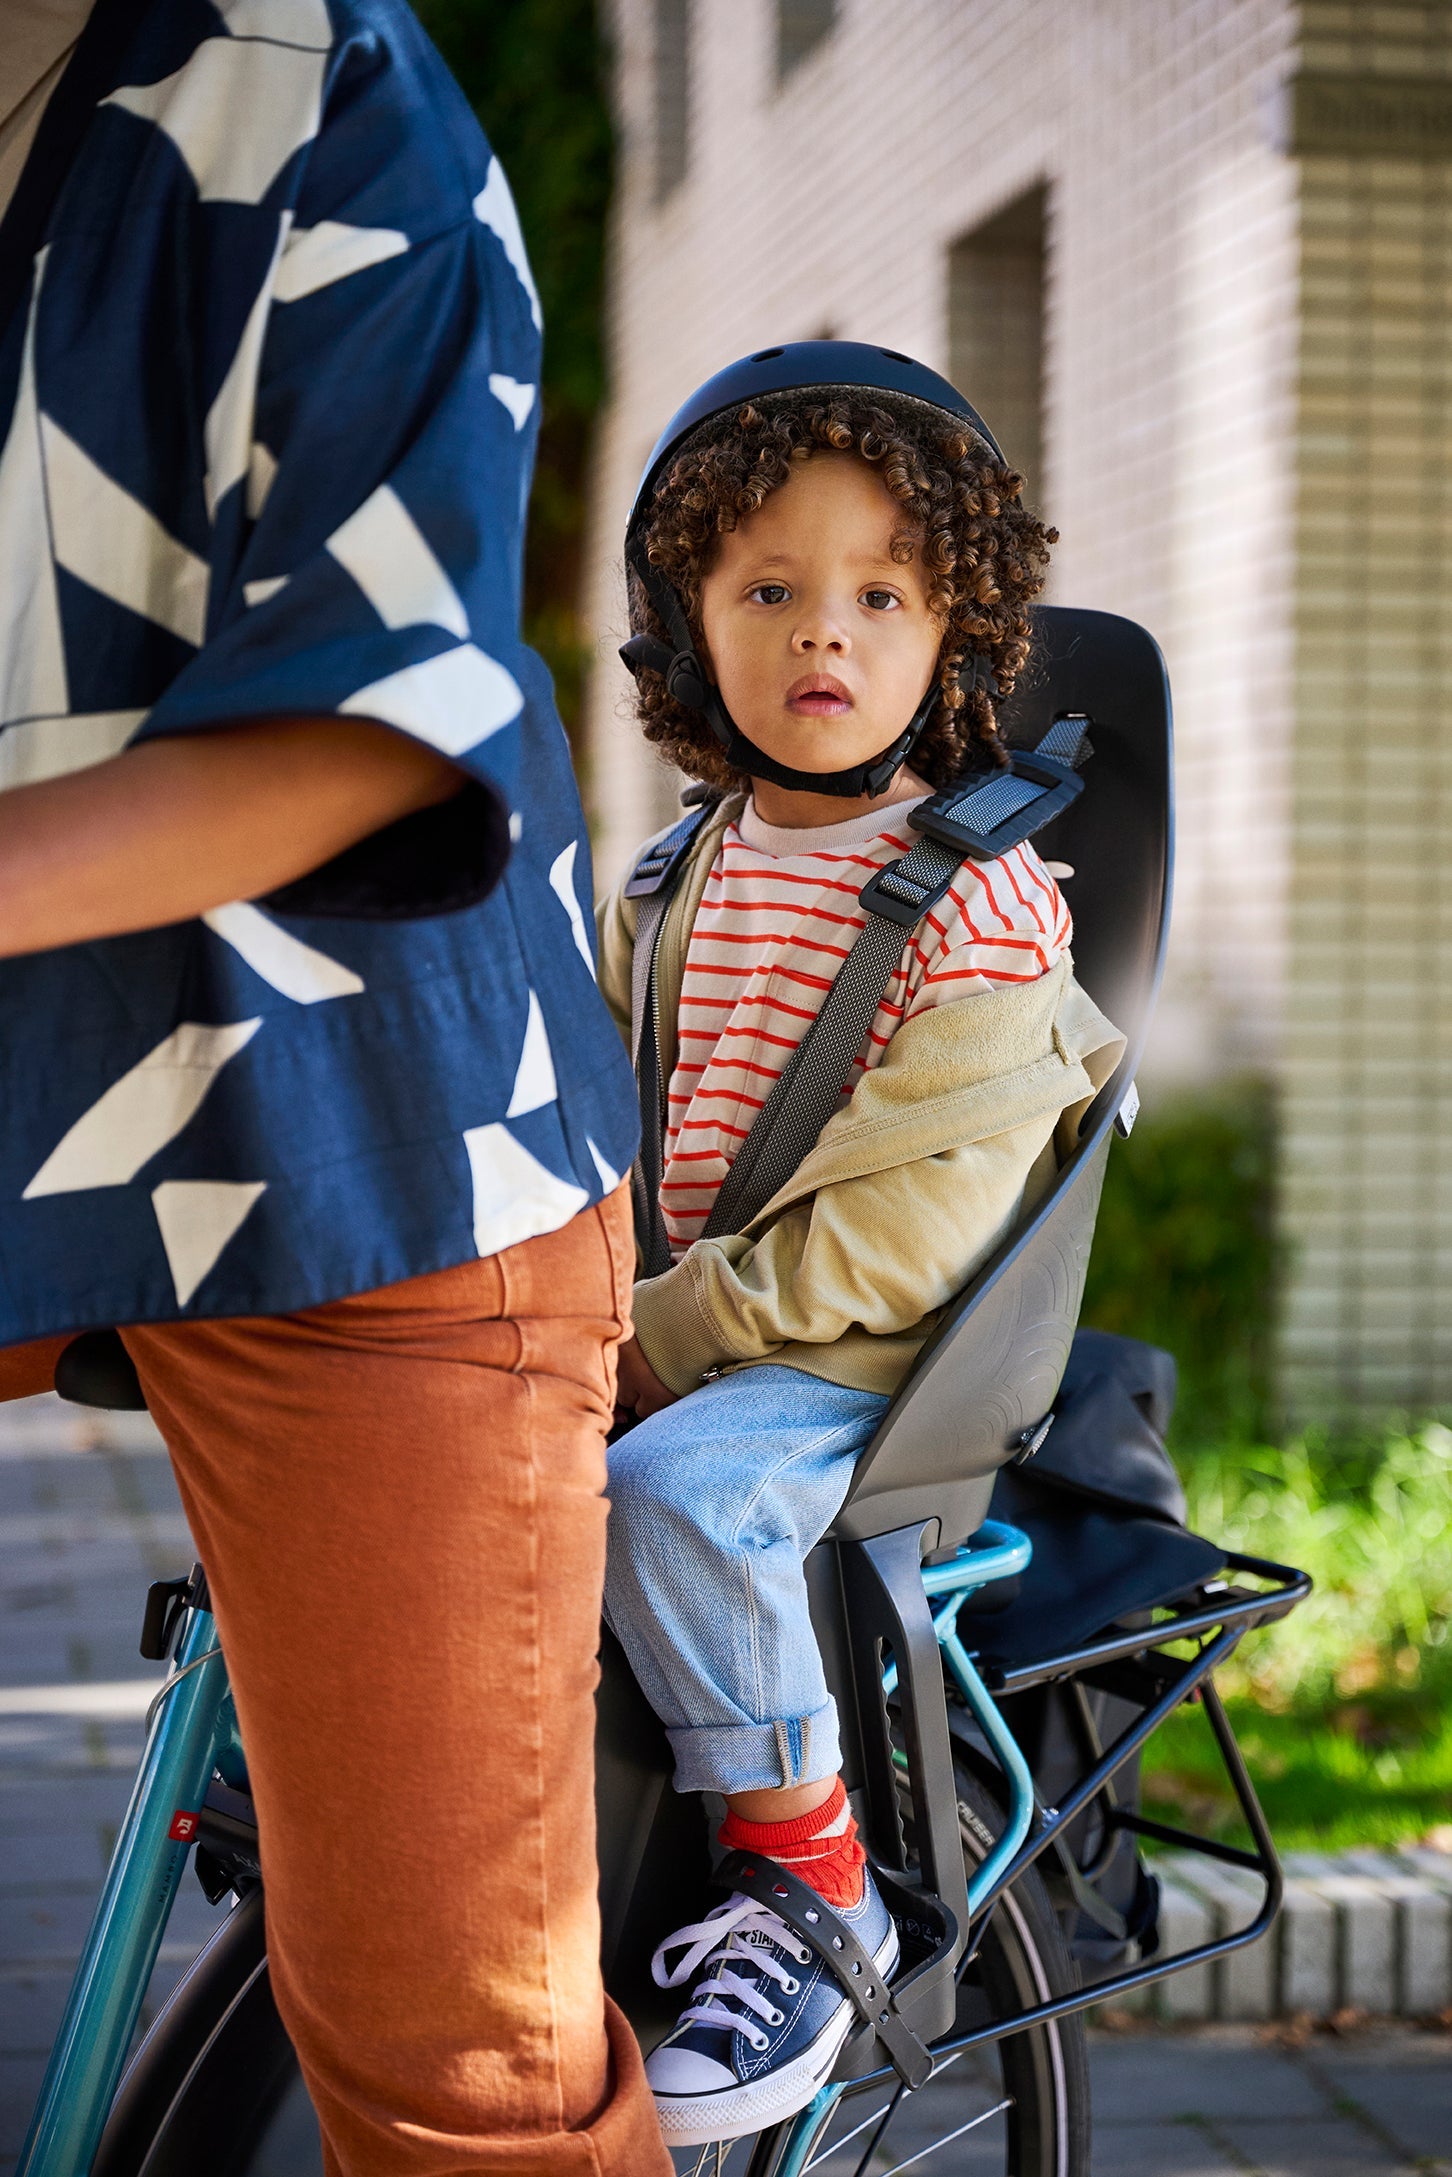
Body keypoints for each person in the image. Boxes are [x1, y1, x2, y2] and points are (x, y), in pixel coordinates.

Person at [0, 2, 670, 2171]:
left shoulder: (311, 76)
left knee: (452, 2065)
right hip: (44, 1094)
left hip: (367, 1138)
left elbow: (379, 712)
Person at [597, 347, 1126, 2145]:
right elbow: (597, 1135)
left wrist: (665, 1336)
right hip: (679, 1329)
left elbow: (914, 1231)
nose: (825, 635)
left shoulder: (975, 899)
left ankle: (803, 1870)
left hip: (869, 1365)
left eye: (880, 595)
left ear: (951, 635)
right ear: (690, 625)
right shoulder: (673, 879)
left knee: (671, 1499)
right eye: (769, 589)